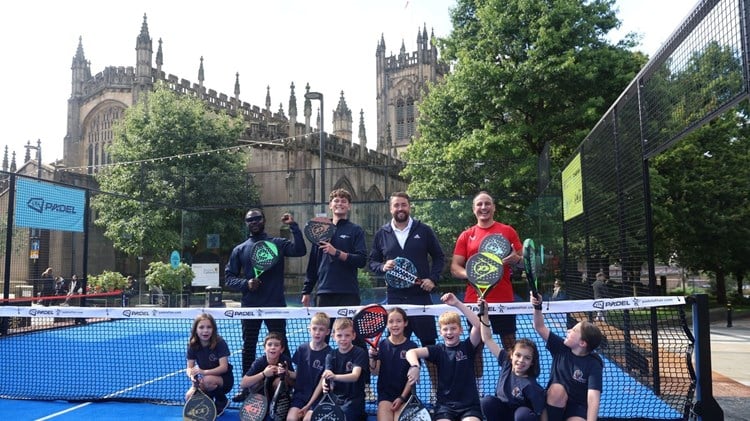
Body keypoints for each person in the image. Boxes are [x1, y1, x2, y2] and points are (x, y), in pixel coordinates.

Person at [368, 191, 445, 399]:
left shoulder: (424, 230)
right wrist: (383, 266)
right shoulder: (382, 233)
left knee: (429, 346)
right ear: (390, 208)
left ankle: (436, 391)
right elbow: (372, 262)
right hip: (395, 300)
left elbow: (439, 257)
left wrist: (433, 279)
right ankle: (401, 394)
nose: (400, 209)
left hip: (420, 298)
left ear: (409, 207)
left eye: (404, 205)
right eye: (396, 205)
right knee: (396, 349)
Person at [226, 208, 307, 402]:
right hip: (250, 308)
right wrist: (246, 284)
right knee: (249, 347)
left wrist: (294, 226)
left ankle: (288, 384)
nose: (254, 222)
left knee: (282, 346)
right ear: (246, 224)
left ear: (263, 220)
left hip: (275, 306)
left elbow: (300, 250)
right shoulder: (240, 249)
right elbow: (229, 278)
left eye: (257, 218)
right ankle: (247, 388)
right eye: (250, 220)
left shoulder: (277, 244)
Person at [450, 191, 523, 351]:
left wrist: (516, 259)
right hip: (474, 301)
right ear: (473, 209)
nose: (484, 207)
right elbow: (455, 267)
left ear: (494, 208)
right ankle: (477, 378)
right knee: (476, 347)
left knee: (510, 344)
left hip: (503, 299)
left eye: (487, 203)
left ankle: (514, 377)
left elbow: (524, 262)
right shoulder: (466, 235)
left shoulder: (508, 231)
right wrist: (472, 275)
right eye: (479, 204)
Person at [405, 293, 483, 421]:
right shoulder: (438, 350)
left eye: (453, 328)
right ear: (440, 332)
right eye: (445, 329)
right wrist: (415, 366)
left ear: (461, 330)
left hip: (470, 407)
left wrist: (457, 303)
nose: (449, 332)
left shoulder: (468, 347)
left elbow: (478, 325)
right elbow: (411, 352)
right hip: (444, 407)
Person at [530, 292, 603, 421]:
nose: (568, 331)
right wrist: (537, 307)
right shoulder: (560, 348)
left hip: (577, 407)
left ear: (582, 343)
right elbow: (539, 327)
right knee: (557, 390)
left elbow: (593, 399)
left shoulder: (594, 364)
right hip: (554, 404)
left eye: (573, 330)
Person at [301, 188, 367, 309]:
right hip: (324, 292)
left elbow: (361, 260)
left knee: (346, 328)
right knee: (323, 328)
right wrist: (306, 291)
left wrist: (336, 253)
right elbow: (313, 263)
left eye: (343, 201)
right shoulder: (321, 229)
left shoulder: (356, 230)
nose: (340, 203)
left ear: (349, 206)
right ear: (330, 205)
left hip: (348, 292)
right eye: (336, 201)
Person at [478, 300, 545, 421]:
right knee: (486, 402)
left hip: (521, 416)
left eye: (527, 358)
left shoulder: (532, 387)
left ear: (532, 362)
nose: (521, 360)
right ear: (511, 356)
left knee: (523, 415)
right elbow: (487, 338)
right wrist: (484, 313)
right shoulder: (506, 363)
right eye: (518, 355)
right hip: (503, 413)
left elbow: (542, 412)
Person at [307, 317, 368, 421]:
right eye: (339, 335)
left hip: (353, 400)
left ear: (353, 336)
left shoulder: (359, 352)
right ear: (333, 336)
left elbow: (355, 376)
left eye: (347, 335)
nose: (343, 339)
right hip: (334, 399)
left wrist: (334, 377)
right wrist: (325, 383)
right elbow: (327, 374)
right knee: (310, 417)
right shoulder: (331, 355)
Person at [369, 307, 418, 421]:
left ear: (405, 323)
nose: (395, 325)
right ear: (386, 324)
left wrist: (401, 397)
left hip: (405, 396)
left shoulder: (412, 347)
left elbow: (412, 378)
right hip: (385, 396)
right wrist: (372, 357)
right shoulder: (382, 345)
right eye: (391, 321)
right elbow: (375, 372)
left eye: (399, 321)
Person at [185, 313, 234, 417]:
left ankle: (222, 401)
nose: (205, 330)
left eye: (209, 327)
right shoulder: (192, 345)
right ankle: (210, 401)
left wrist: (203, 372)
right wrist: (192, 376)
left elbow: (224, 368)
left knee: (207, 381)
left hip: (224, 380)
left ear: (213, 329)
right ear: (196, 330)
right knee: (189, 396)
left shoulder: (220, 343)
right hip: (206, 379)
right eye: (201, 327)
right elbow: (189, 367)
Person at [286, 312, 331, 421]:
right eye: (314, 328)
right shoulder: (302, 349)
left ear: (328, 332)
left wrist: (308, 405)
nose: (317, 332)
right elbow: (298, 374)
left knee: (307, 419)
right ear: (309, 329)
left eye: (321, 329)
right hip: (300, 395)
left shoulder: (330, 353)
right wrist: (286, 372)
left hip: (318, 398)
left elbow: (322, 383)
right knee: (291, 419)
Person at [240, 332, 294, 409]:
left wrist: (286, 374)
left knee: (279, 381)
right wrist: (263, 374)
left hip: (277, 392)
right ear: (264, 348)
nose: (273, 347)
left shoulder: (285, 360)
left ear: (282, 349)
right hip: (262, 391)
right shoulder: (259, 362)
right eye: (269, 345)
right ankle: (259, 401)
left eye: (276, 345)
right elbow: (243, 383)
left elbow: (293, 383)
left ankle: (279, 405)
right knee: (254, 383)